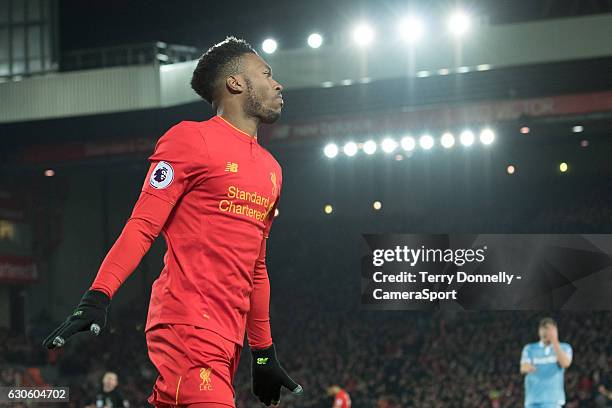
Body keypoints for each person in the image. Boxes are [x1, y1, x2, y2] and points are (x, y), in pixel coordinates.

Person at [43, 36, 302, 407]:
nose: (277, 84)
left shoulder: (272, 170)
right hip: (187, 325)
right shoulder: (189, 140)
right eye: (266, 74)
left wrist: (262, 352)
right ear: (235, 83)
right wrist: (97, 296)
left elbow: (256, 268)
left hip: (227, 340)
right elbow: (143, 225)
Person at [520, 317, 572, 408]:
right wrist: (527, 367)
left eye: (548, 329)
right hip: (532, 400)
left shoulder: (565, 347)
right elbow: (523, 368)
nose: (545, 332)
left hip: (552, 400)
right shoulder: (530, 348)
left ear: (555, 331)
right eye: (542, 329)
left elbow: (565, 363)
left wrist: (554, 341)